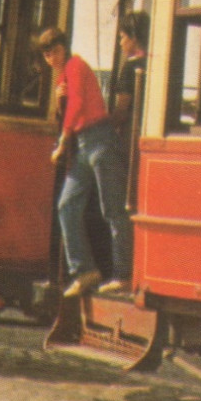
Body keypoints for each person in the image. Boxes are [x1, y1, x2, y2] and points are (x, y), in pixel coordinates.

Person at [38, 27, 132, 297]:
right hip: (84, 144)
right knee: (67, 205)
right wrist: (59, 100)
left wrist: (63, 143)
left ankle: (124, 275)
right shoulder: (64, 76)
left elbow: (78, 105)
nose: (51, 58)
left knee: (113, 210)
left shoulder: (76, 66)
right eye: (46, 55)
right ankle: (85, 271)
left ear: (63, 49)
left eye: (54, 51)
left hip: (100, 140)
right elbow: (69, 110)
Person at [111, 12, 149, 151]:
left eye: (122, 37)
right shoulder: (152, 63)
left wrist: (104, 130)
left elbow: (122, 110)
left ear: (133, 37)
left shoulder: (129, 67)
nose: (120, 43)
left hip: (130, 137)